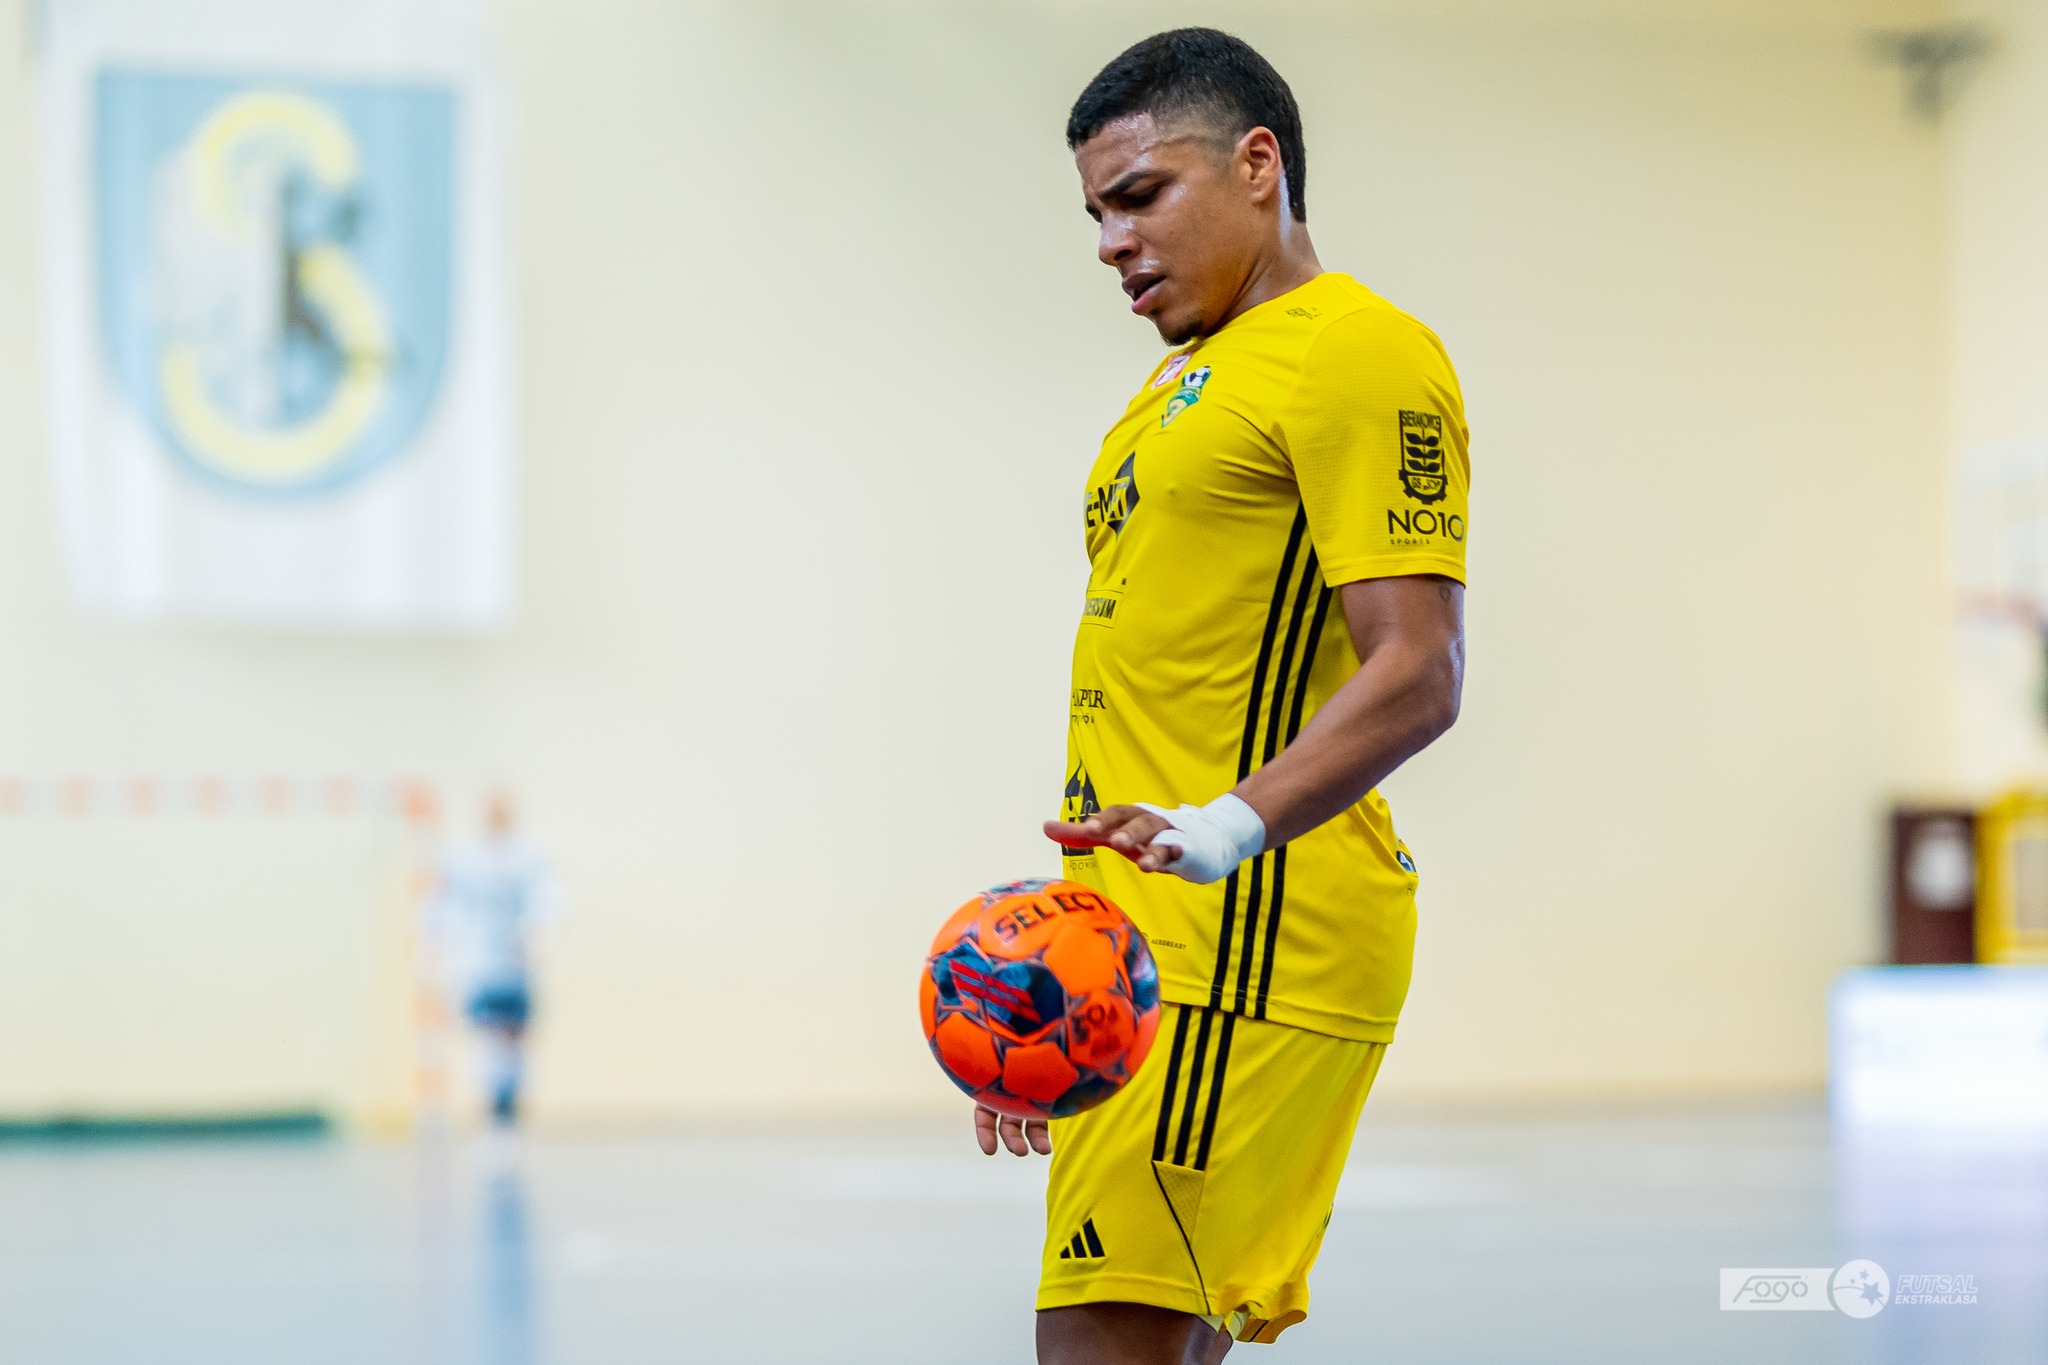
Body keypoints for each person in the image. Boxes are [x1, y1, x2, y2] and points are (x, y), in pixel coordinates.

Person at [986, 29, 1472, 1365]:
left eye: (1140, 196)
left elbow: (1419, 667)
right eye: (1095, 214)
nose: (1111, 243)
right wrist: (1060, 982)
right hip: (1148, 954)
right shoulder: (1181, 381)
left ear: (1259, 165)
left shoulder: (1355, 352)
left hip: (1246, 942)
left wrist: (1222, 830)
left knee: (1101, 1346)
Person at [425, 790, 562, 1129]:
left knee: (516, 1040)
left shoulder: (529, 855)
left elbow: (550, 899)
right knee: (487, 1039)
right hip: (478, 966)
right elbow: (443, 904)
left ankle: (510, 1112)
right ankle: (493, 1115)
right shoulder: (463, 857)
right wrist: (434, 945)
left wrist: (537, 932)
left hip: (517, 967)